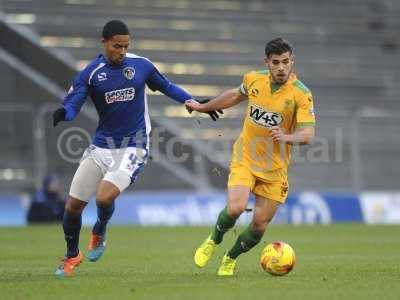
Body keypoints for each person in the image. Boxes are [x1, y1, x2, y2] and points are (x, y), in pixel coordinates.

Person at [52, 20, 222, 277]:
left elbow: (167, 86)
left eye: (125, 46)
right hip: (101, 147)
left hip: (134, 145)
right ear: (104, 43)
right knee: (72, 207)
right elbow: (75, 100)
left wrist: (193, 101)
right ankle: (72, 255)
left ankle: (100, 229)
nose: (121, 51)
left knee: (104, 196)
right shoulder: (91, 73)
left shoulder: (140, 65)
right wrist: (65, 112)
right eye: (116, 46)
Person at [186, 38, 316, 276]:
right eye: (275, 62)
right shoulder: (253, 79)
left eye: (285, 62)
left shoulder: (301, 94)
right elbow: (234, 96)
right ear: (267, 62)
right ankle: (213, 241)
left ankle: (230, 257)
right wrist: (202, 107)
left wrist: (288, 137)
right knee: (235, 208)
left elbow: (308, 134)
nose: (280, 67)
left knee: (259, 226)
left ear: (292, 61)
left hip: (275, 170)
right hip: (245, 157)